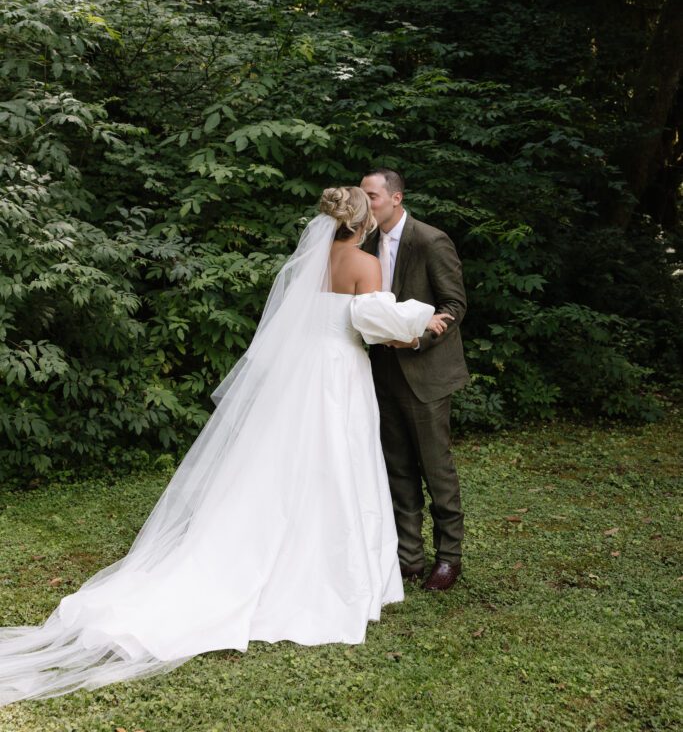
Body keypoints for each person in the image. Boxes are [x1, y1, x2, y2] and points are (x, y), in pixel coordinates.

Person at [0, 186, 452, 706]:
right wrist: (423, 321)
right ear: (362, 222)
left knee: (288, 463)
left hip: (298, 375)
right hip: (335, 375)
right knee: (335, 460)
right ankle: (327, 567)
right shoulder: (363, 263)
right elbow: (377, 327)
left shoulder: (312, 260)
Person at [360, 169, 469, 591]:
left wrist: (420, 338)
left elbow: (454, 305)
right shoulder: (364, 244)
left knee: (436, 468)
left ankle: (449, 559)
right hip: (381, 372)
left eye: (371, 196)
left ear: (396, 198)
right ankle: (409, 558)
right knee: (398, 468)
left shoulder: (429, 240)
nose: (366, 202)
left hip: (425, 372)